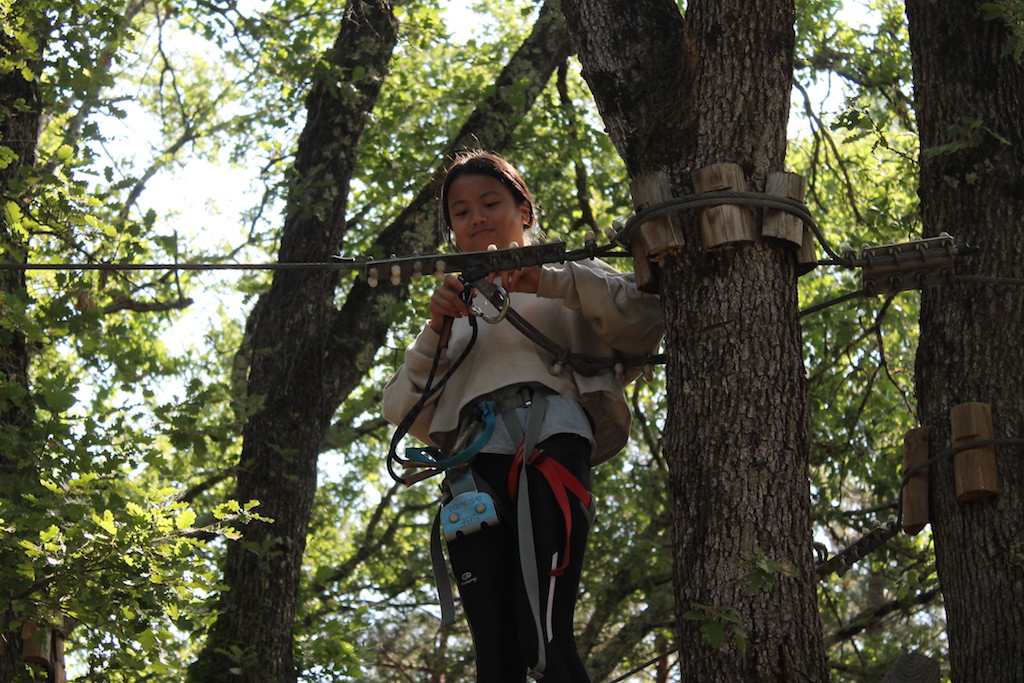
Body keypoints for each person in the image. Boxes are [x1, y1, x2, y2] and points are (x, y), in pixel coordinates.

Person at [382, 151, 663, 682]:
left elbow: (645, 317)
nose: (477, 219)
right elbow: (400, 409)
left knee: (545, 637)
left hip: (551, 442)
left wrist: (551, 280)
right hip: (473, 468)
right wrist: (436, 329)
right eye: (460, 212)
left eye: (491, 203)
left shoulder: (567, 276)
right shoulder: (453, 314)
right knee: (495, 658)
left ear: (525, 211)